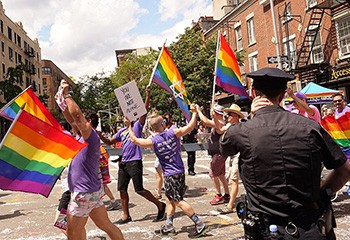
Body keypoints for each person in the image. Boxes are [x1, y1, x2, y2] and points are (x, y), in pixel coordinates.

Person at [220, 67, 350, 239]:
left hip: (267, 230)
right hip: (312, 226)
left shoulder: (242, 131)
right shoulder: (310, 127)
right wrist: (323, 193)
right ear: (282, 95)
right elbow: (344, 170)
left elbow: (224, 146)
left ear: (253, 92)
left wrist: (252, 117)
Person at [57, 80, 124, 240]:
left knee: (72, 232)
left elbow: (77, 117)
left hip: (84, 193)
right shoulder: (81, 136)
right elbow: (72, 118)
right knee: (106, 225)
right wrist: (60, 99)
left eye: (81, 122)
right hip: (92, 192)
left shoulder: (91, 136)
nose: (75, 124)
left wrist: (67, 95)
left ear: (88, 123)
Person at [127, 106, 209, 237]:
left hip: (170, 174)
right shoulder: (173, 132)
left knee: (178, 200)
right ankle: (169, 225)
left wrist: (129, 127)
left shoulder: (153, 141)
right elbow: (190, 127)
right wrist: (194, 113)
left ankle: (200, 224)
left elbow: (135, 140)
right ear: (163, 124)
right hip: (180, 172)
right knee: (169, 199)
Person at [98, 86, 166, 224]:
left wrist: (147, 95)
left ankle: (160, 205)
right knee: (122, 189)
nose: (124, 117)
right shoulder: (122, 131)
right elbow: (110, 141)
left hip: (135, 162)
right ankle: (126, 215)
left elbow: (144, 112)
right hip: (124, 163)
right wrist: (100, 136)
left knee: (139, 189)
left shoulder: (136, 127)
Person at [196, 104, 230, 205]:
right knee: (220, 174)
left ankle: (219, 195)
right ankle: (227, 194)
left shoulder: (220, 122)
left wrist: (199, 111)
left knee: (213, 174)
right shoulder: (218, 121)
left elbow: (206, 121)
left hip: (218, 153)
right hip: (218, 153)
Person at [215, 104, 244, 215]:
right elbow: (220, 129)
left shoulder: (240, 127)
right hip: (232, 155)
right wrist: (214, 117)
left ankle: (230, 205)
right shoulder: (229, 126)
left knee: (233, 180)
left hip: (238, 155)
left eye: (230, 115)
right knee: (233, 179)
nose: (227, 117)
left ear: (236, 116)